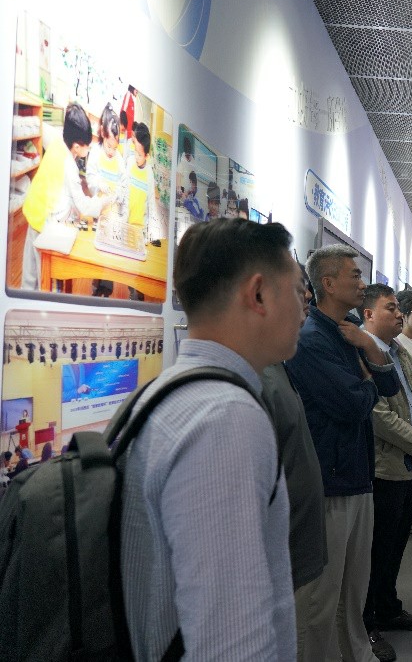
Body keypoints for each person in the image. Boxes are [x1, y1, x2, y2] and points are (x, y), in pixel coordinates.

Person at [121, 219, 305, 659]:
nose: (304, 311)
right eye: (299, 292)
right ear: (258, 294)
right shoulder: (225, 418)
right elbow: (231, 643)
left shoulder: (162, 393)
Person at [286, 245, 398, 662]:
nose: (362, 283)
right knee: (322, 595)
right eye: (354, 275)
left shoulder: (349, 330)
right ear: (329, 283)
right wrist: (368, 379)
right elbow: (352, 404)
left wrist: (369, 348)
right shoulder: (311, 339)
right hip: (330, 479)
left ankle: (356, 654)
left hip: (357, 473)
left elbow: (389, 388)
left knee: (354, 587)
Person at [361, 284, 412, 661]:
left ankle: (389, 608)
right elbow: (378, 415)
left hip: (409, 466)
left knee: (395, 547)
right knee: (375, 550)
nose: (399, 314)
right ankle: (367, 622)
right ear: (369, 314)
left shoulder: (400, 352)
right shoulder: (363, 353)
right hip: (383, 467)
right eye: (390, 308)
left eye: (398, 308)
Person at [260, 263, 327, 660]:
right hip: (275, 569)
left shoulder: (275, 368)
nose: (307, 301)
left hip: (291, 564)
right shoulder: (252, 383)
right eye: (299, 290)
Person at [19, 102, 107, 289]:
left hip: (33, 210)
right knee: (45, 277)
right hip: (44, 222)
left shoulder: (58, 138)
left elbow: (43, 127)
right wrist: (103, 202)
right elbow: (84, 206)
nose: (89, 149)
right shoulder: (70, 168)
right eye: (87, 146)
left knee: (29, 276)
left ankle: (25, 298)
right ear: (76, 146)